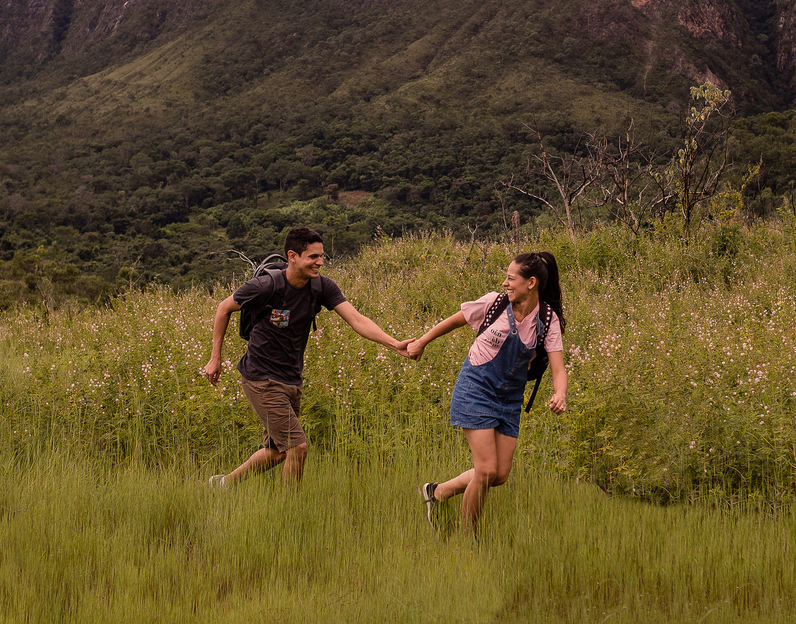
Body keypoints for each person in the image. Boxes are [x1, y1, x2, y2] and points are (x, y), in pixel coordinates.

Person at [202, 226, 411, 487]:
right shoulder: (266, 286)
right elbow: (224, 308)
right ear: (293, 256)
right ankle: (291, 511)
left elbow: (356, 319)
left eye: (321, 256)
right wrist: (215, 358)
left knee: (278, 452)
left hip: (291, 379)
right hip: (261, 378)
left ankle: (223, 485)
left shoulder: (320, 287)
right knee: (297, 448)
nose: (320, 262)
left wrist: (395, 344)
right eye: (313, 257)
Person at [408, 251, 567, 534]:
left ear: (531, 283)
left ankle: (438, 492)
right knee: (485, 471)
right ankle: (468, 539)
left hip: (510, 398)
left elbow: (557, 367)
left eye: (511, 278)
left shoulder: (546, 317)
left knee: (500, 475)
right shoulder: (493, 303)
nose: (505, 283)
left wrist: (560, 394)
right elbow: (454, 321)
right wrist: (422, 342)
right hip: (476, 389)